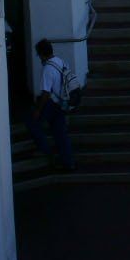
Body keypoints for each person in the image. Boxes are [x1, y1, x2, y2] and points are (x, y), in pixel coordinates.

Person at [28, 38, 76, 171]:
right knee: (61, 133)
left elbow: (45, 93)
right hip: (63, 102)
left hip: (53, 104)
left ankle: (47, 152)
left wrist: (38, 110)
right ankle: (68, 162)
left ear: (41, 54)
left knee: (33, 124)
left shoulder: (48, 69)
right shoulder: (60, 61)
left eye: (38, 54)